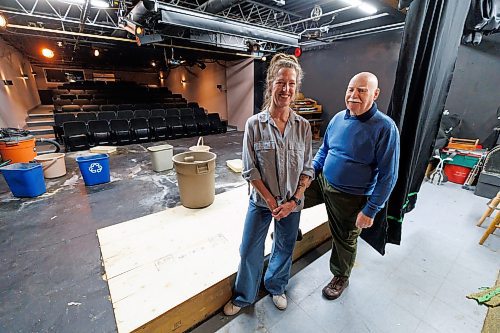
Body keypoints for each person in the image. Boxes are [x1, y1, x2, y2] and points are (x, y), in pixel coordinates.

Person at [223, 54, 314, 316]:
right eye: (281, 82)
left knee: (284, 247)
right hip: (262, 203)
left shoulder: (303, 127)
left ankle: (276, 286)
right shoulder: (254, 125)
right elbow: (250, 170)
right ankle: (244, 296)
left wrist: (293, 201)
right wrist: (273, 203)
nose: (286, 89)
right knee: (249, 248)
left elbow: (307, 168)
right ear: (271, 84)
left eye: (291, 84)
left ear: (296, 88)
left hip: (292, 204)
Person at [305, 72, 400, 300]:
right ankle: (290, 232)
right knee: (290, 198)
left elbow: (389, 175)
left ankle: (341, 277)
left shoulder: (385, 128)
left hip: (351, 196)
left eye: (361, 90)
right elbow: (325, 150)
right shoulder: (338, 118)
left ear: (375, 94)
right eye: (350, 89)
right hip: (322, 181)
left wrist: (370, 210)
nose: (353, 95)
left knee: (344, 239)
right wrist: (311, 171)